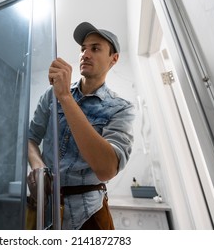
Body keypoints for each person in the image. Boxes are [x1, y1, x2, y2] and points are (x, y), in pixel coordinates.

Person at [27, 22, 135, 230]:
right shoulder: (51, 95)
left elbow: (106, 169)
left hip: (89, 216)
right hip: (45, 206)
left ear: (114, 59)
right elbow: (31, 138)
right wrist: (38, 166)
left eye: (95, 48)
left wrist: (66, 97)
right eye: (83, 48)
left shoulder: (121, 109)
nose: (85, 54)